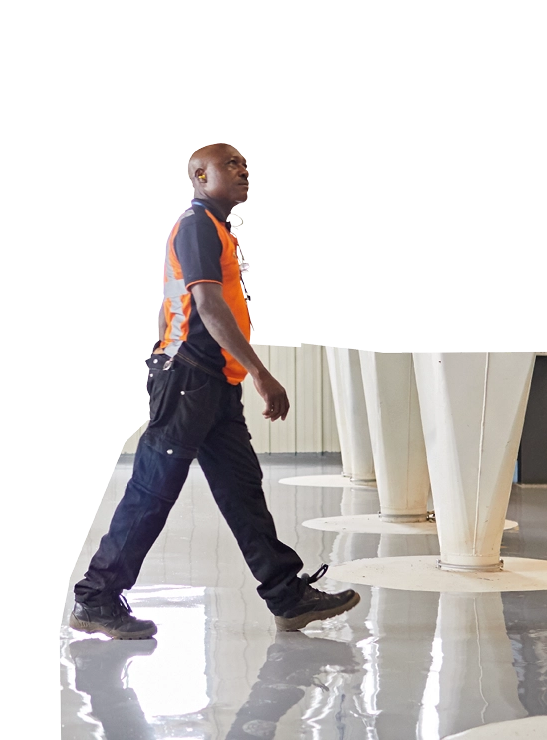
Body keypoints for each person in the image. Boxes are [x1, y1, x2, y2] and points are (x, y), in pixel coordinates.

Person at [70, 142, 360, 639]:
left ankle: (287, 595)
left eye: (244, 164)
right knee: (152, 489)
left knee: (242, 492)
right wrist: (261, 374)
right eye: (231, 164)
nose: (243, 170)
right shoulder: (198, 224)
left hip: (212, 383)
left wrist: (237, 374)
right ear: (200, 175)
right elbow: (206, 305)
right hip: (188, 378)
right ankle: (97, 597)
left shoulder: (218, 229)